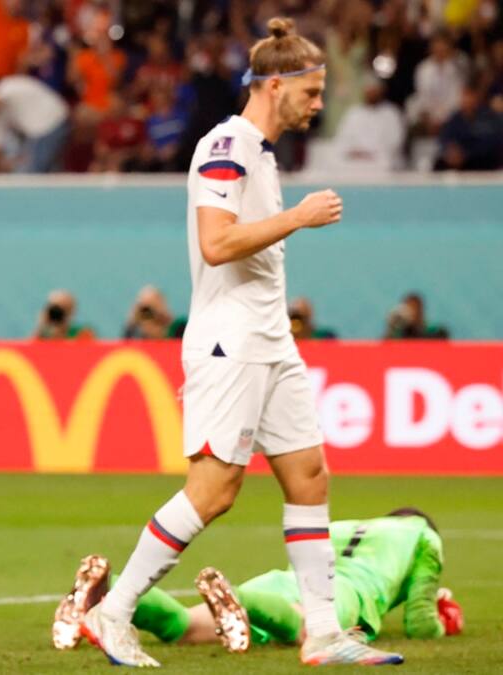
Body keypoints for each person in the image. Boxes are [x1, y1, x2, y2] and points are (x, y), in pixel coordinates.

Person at [78, 18, 403, 667]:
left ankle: (323, 631)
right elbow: (216, 242)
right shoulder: (225, 145)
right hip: (230, 342)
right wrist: (297, 217)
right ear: (275, 85)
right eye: (311, 92)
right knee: (214, 490)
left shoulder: (261, 152)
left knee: (309, 474)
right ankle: (112, 613)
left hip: (271, 340)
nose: (318, 105)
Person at [55, 509, 463, 653]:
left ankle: (106, 593)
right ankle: (243, 602)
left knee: (184, 628)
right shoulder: (425, 538)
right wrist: (445, 620)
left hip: (282, 581)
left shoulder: (346, 525)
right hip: (343, 591)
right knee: (308, 629)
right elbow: (419, 623)